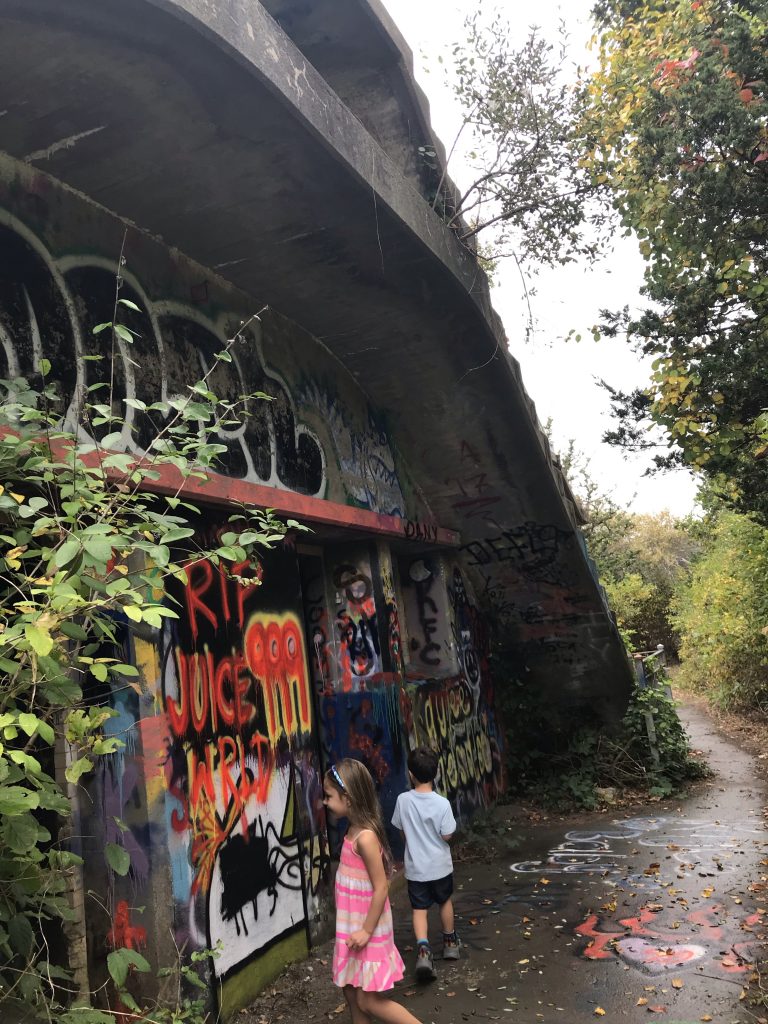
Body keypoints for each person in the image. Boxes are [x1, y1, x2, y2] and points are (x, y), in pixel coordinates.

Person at [323, 758, 423, 1024]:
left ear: (348, 798)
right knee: (350, 990)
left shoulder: (365, 838)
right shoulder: (352, 831)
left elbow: (381, 888)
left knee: (368, 1000)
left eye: (329, 796)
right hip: (352, 928)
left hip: (368, 928)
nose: (325, 802)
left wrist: (366, 930)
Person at [391, 746, 459, 981]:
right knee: (444, 901)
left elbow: (401, 831)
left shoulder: (403, 800)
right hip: (440, 866)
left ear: (411, 773)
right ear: (436, 772)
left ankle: (423, 950)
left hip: (416, 868)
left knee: (419, 909)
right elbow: (447, 834)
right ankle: (450, 942)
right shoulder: (442, 803)